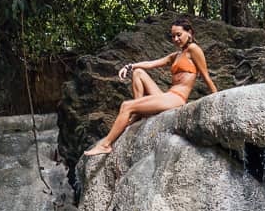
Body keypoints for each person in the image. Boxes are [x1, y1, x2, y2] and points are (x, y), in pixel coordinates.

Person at [83, 16, 218, 156]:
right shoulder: (176, 55)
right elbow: (151, 63)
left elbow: (205, 76)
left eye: (179, 35)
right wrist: (129, 66)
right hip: (167, 96)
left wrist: (216, 98)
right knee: (138, 73)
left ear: (189, 32)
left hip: (177, 99)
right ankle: (139, 114)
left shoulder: (194, 49)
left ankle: (106, 145)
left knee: (126, 106)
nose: (176, 39)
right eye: (173, 36)